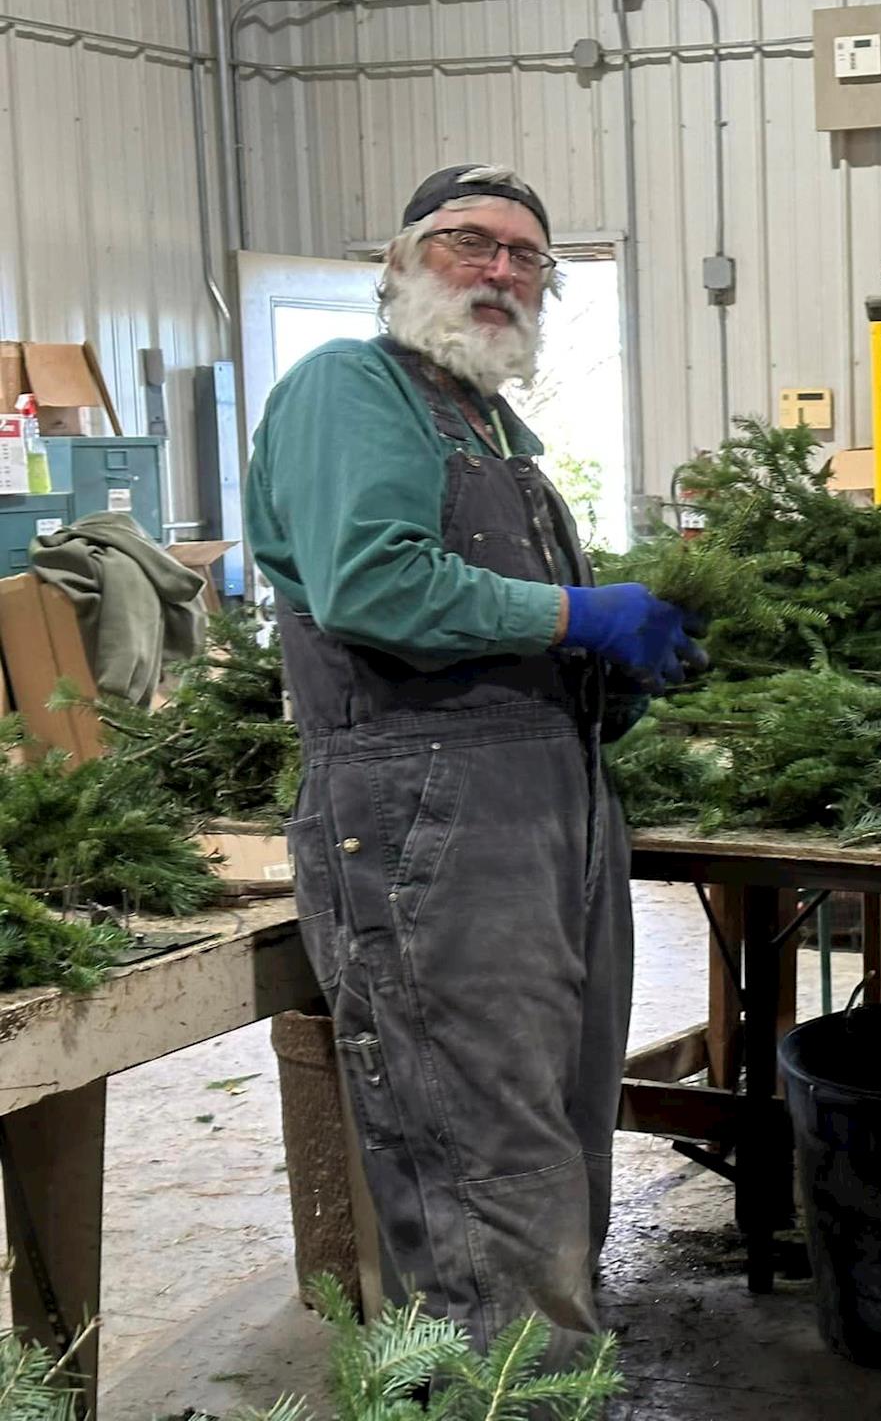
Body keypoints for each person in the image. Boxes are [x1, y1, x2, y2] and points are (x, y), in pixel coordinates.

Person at [244, 163, 704, 1357]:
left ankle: (550, 1373)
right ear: (399, 261)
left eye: (527, 256)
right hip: (425, 809)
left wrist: (620, 682)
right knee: (481, 1143)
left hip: (550, 805)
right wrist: (576, 618)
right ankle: (502, 1385)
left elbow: (511, 623)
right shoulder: (350, 388)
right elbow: (374, 581)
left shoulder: (494, 426)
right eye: (469, 242)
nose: (500, 270)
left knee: (559, 1119)